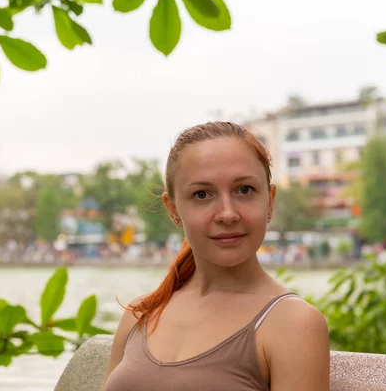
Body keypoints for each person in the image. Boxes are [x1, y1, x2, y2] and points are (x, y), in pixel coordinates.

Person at [101, 121, 330, 391]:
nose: (227, 214)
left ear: (270, 201)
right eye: (202, 194)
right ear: (172, 209)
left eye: (244, 190)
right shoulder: (141, 314)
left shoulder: (293, 324)